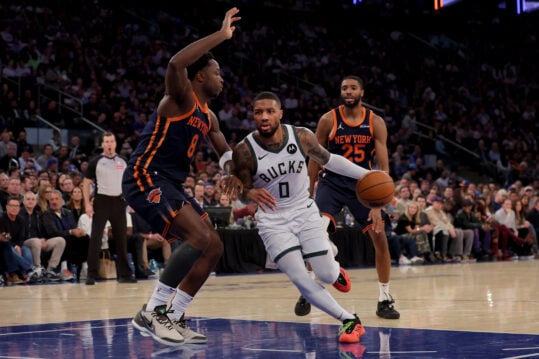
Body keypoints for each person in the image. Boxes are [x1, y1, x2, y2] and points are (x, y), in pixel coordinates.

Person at [122, 8, 243, 346]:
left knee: (214, 244)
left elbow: (224, 151)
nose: (222, 78)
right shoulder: (180, 97)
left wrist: (232, 172)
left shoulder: (209, 116)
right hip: (145, 176)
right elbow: (176, 63)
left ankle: (174, 315)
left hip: (169, 183)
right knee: (199, 236)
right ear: (200, 76)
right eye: (217, 72)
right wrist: (221, 35)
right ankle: (154, 310)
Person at [230, 91, 366, 344]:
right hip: (272, 221)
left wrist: (365, 175)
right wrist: (248, 191)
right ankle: (349, 319)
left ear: (281, 113)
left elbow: (330, 160)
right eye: (258, 112)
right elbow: (241, 189)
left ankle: (334, 271)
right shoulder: (245, 151)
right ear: (253, 116)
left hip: (303, 210)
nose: (264, 117)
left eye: (270, 111)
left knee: (324, 274)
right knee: (301, 279)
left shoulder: (301, 136)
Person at [306, 75, 400, 320]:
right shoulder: (328, 120)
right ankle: (308, 288)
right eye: (344, 88)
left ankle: (384, 298)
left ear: (362, 92)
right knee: (315, 230)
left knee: (380, 238)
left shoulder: (375, 122)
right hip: (332, 182)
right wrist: (308, 190)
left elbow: (383, 166)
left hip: (364, 184)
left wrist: (378, 204)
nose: (348, 91)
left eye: (353, 88)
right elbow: (315, 156)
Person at [82, 131, 135, 285]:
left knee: (121, 238)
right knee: (96, 238)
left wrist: (130, 200)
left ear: (115, 143)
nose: (109, 144)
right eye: (106, 142)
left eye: (111, 141)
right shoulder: (96, 162)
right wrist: (87, 203)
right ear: (102, 144)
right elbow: (86, 183)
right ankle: (91, 274)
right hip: (101, 201)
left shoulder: (123, 161)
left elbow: (129, 183)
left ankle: (125, 274)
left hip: (119, 202)